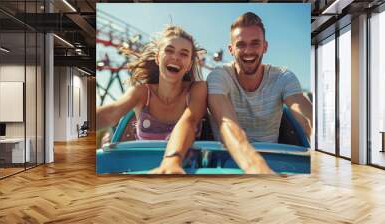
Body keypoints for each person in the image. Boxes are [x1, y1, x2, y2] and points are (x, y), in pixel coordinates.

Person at [207, 12, 312, 174]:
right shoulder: (219, 76)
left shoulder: (283, 77)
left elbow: (305, 115)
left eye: (255, 43)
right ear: (231, 49)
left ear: (265, 46)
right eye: (241, 44)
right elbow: (227, 123)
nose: (248, 51)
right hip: (226, 162)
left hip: (275, 161)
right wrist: (255, 165)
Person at [97, 26, 207, 174]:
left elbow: (190, 120)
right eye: (169, 50)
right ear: (157, 58)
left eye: (184, 54)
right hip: (143, 170)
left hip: (184, 170)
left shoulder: (197, 89)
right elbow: (111, 113)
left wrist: (172, 160)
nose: (175, 57)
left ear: (189, 65)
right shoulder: (142, 93)